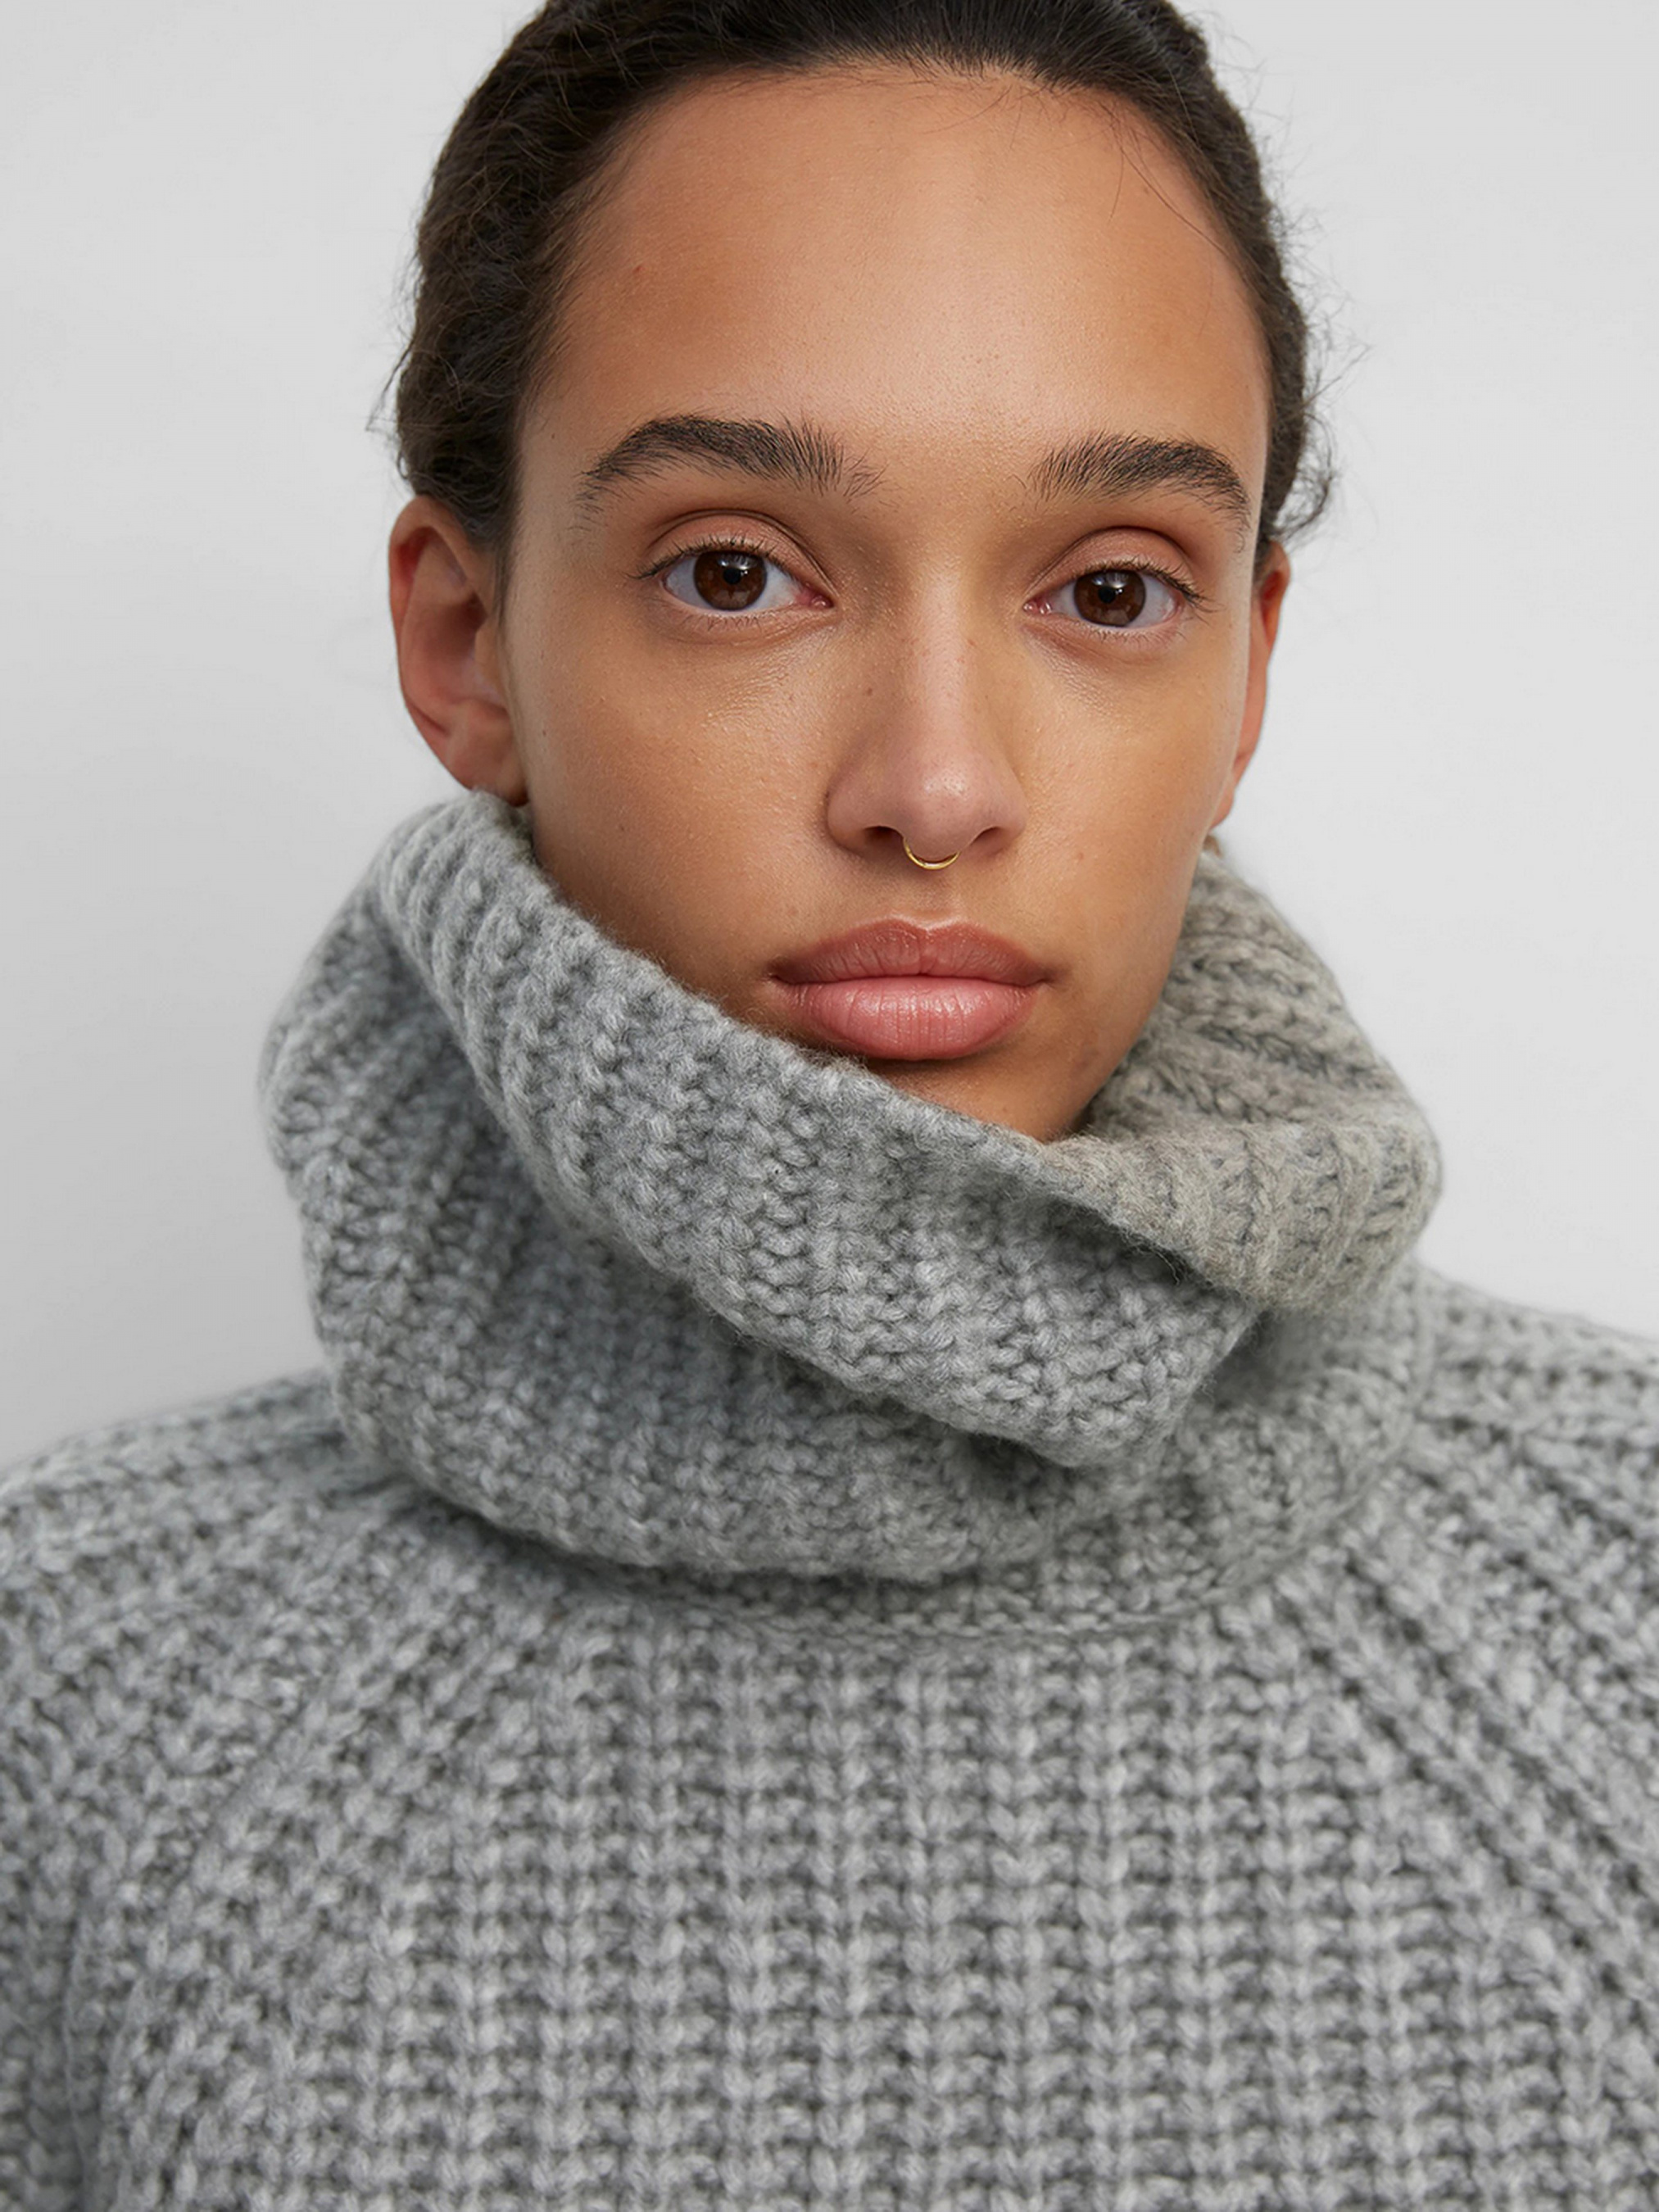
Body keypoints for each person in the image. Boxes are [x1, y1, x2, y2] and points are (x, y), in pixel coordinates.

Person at [3, 0, 1656, 2201]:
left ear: (1247, 663)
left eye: (1108, 590)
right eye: (736, 572)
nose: (936, 786)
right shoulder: (74, 1699)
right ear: (468, 640)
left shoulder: (1630, 1610)